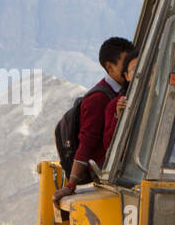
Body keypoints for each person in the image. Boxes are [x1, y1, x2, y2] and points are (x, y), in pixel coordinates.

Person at [54, 36, 136, 201]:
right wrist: (71, 184)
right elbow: (87, 143)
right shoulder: (99, 99)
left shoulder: (126, 91)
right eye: (124, 63)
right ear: (110, 67)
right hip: (110, 173)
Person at [103, 51, 139, 151]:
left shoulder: (162, 102)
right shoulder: (114, 105)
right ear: (127, 76)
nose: (140, 73)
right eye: (135, 69)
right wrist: (119, 116)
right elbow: (108, 145)